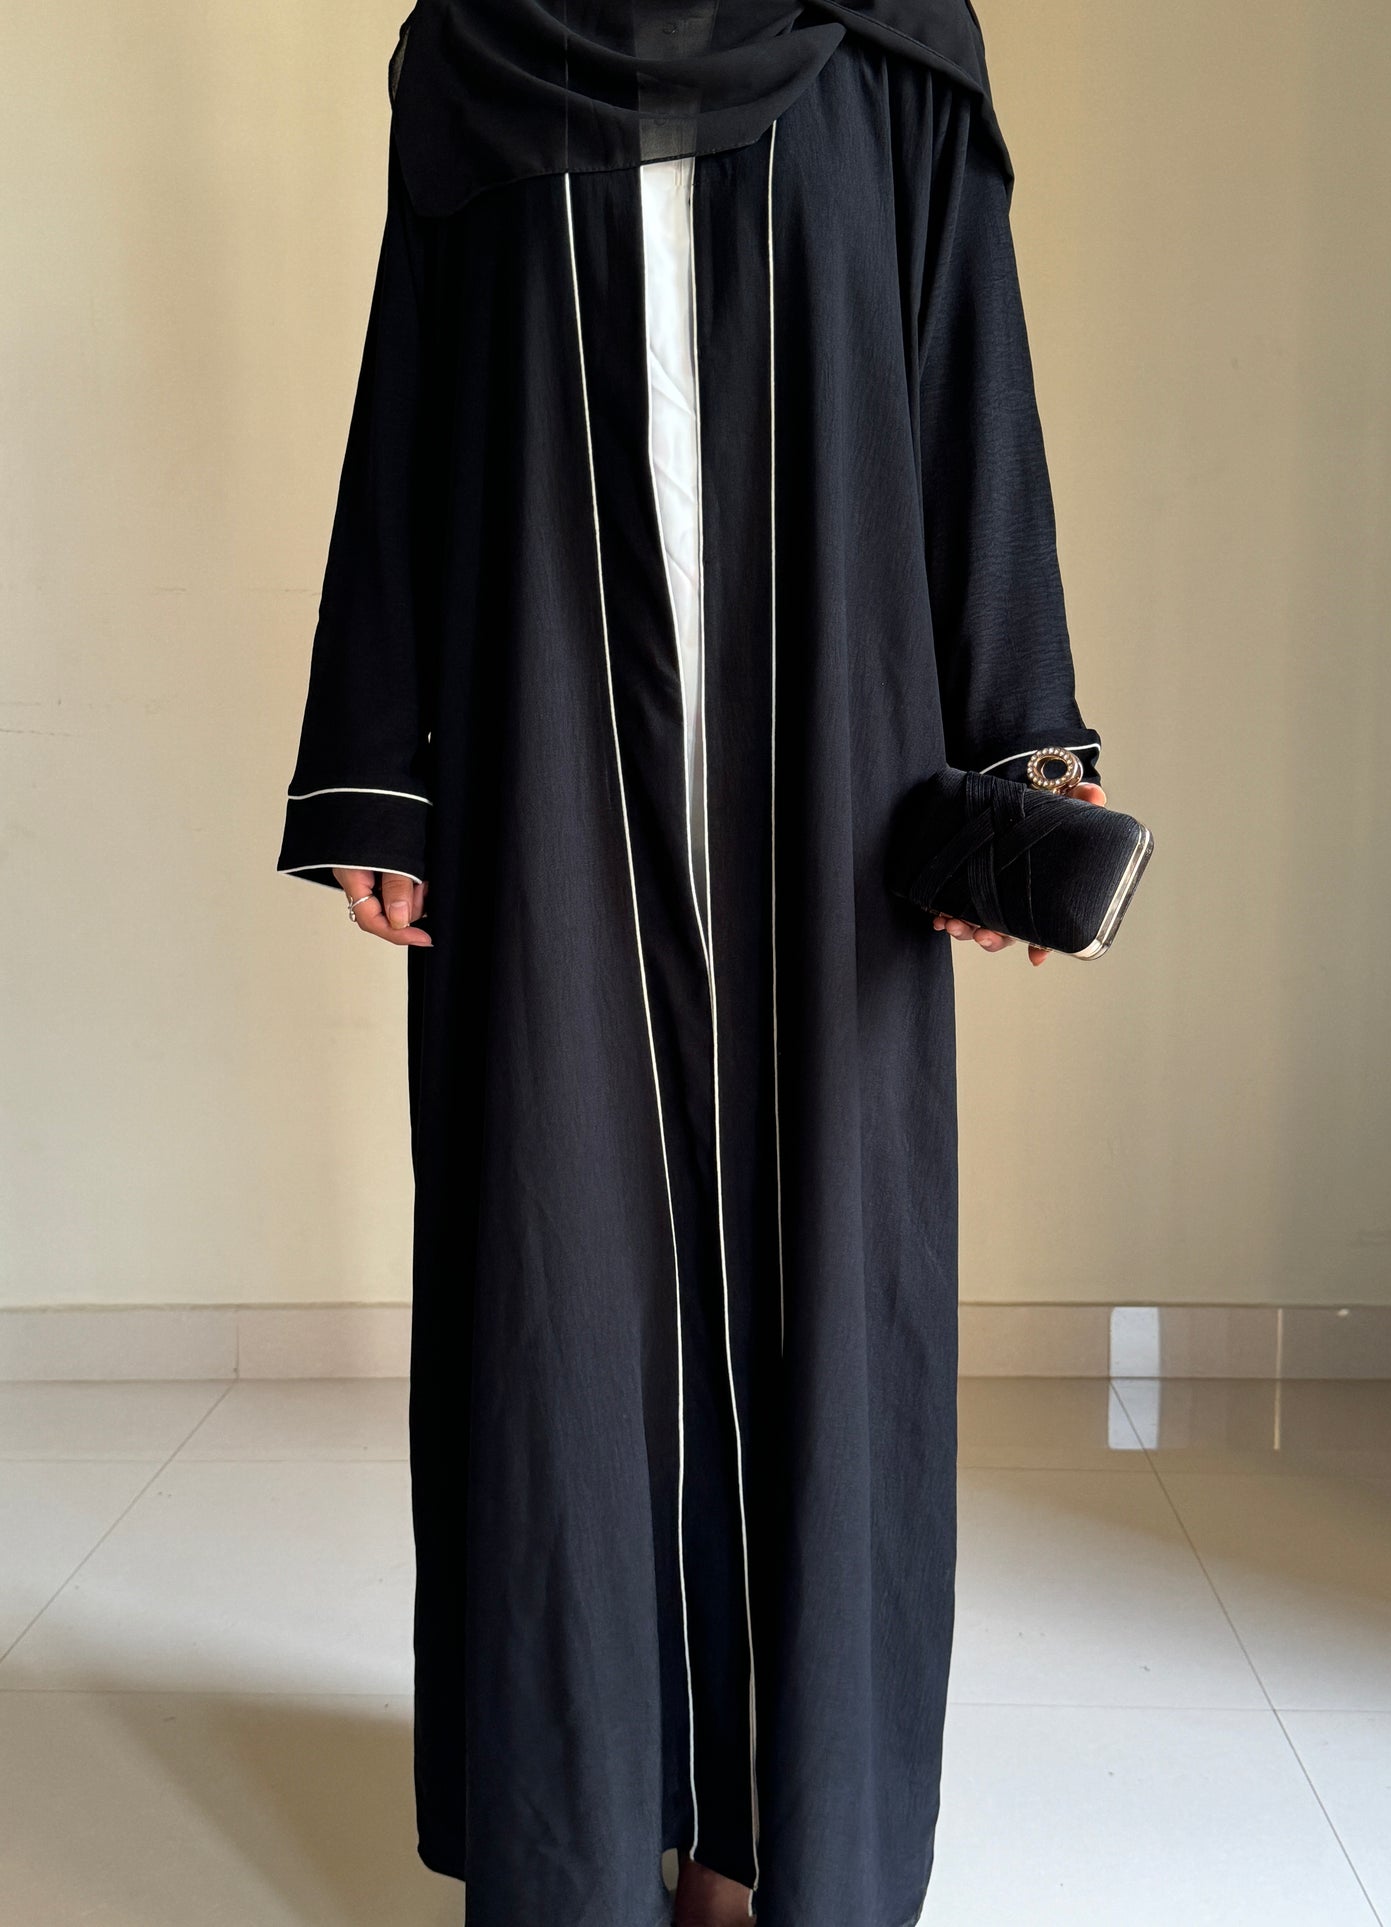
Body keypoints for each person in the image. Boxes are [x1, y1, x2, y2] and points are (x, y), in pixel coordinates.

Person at [277, 4, 1104, 1923]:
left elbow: (968, 376)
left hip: (836, 780)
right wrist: (379, 772)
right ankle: (582, 1835)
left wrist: (1013, 772)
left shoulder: (887, 40)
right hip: (539, 757)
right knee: (556, 1284)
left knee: (825, 1288)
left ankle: (768, 1848)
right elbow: (411, 402)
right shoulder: (475, 46)